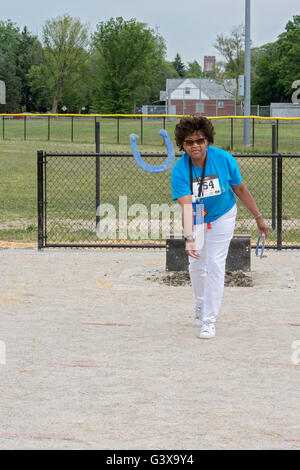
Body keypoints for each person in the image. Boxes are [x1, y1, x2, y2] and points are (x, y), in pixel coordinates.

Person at [171, 116, 268, 339]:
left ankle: (209, 320)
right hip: (196, 215)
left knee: (214, 264)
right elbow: (186, 204)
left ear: (208, 140)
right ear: (183, 145)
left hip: (223, 213)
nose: (195, 145)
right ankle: (200, 304)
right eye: (189, 142)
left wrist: (258, 217)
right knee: (195, 264)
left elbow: (241, 189)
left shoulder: (223, 159)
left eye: (200, 140)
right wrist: (189, 237)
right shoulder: (180, 170)